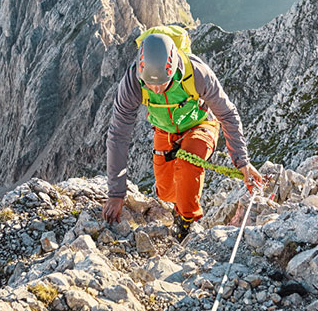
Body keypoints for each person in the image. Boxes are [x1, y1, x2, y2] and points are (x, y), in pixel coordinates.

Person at [102, 29, 264, 240]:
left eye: (162, 83)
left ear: (173, 70)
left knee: (188, 164)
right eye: (150, 84)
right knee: (167, 193)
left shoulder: (197, 73)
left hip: (200, 124)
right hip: (165, 130)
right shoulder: (132, 82)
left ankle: (187, 224)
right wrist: (116, 193)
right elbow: (118, 135)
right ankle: (181, 205)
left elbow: (227, 114)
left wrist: (242, 162)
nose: (156, 89)